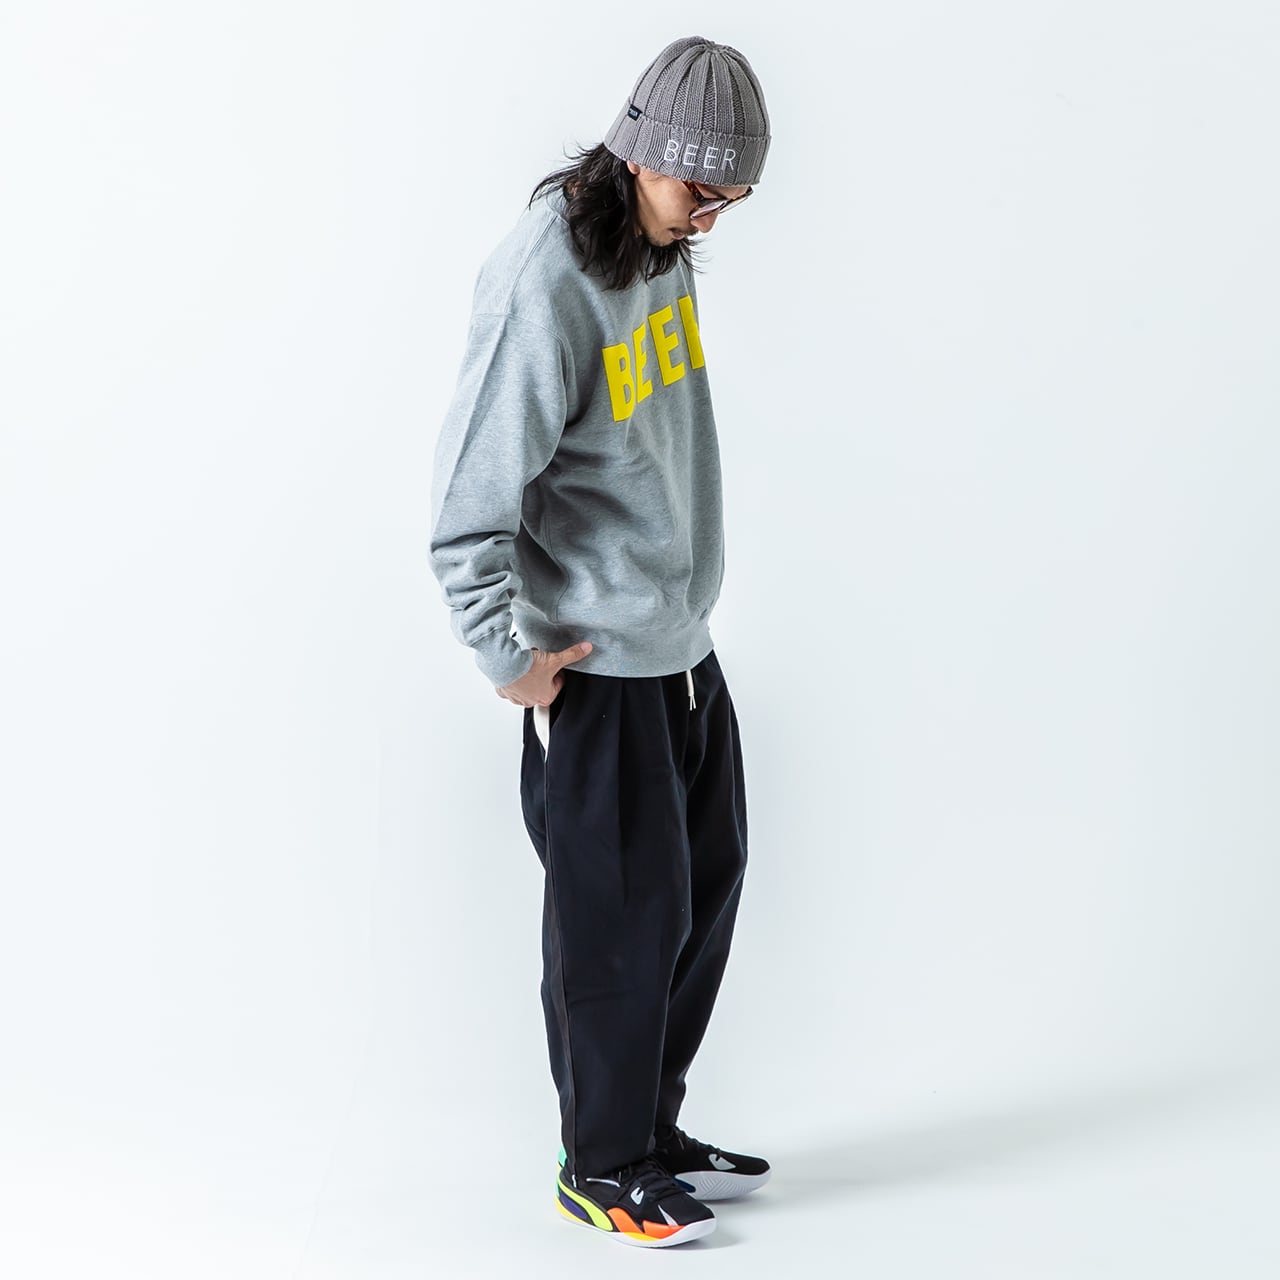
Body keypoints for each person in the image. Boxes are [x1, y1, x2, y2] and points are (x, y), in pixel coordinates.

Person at [428, 36, 772, 1249]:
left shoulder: (658, 248)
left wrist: (685, 611)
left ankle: (647, 1127)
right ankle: (601, 1161)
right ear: (641, 155)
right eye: (700, 191)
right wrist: (506, 657)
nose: (710, 218)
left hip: (678, 647)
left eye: (732, 199)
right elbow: (466, 501)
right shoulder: (543, 278)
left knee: (699, 895)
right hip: (595, 667)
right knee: (614, 931)